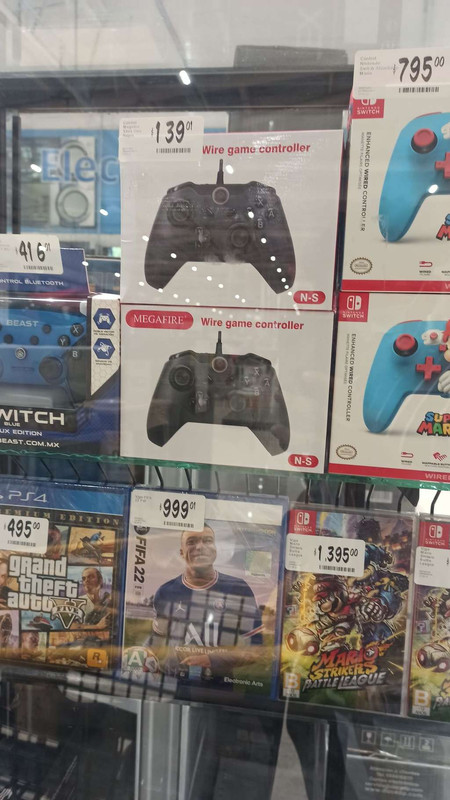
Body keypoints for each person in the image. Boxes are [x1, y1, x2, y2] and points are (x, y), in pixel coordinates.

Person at [148, 524, 265, 685]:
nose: (200, 547)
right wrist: (146, 657)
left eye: (207, 541)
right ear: (181, 552)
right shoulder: (165, 592)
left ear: (215, 550)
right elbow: (156, 642)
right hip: (172, 688)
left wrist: (211, 660)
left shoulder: (238, 589)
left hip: (217, 692)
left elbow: (256, 650)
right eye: (191, 542)